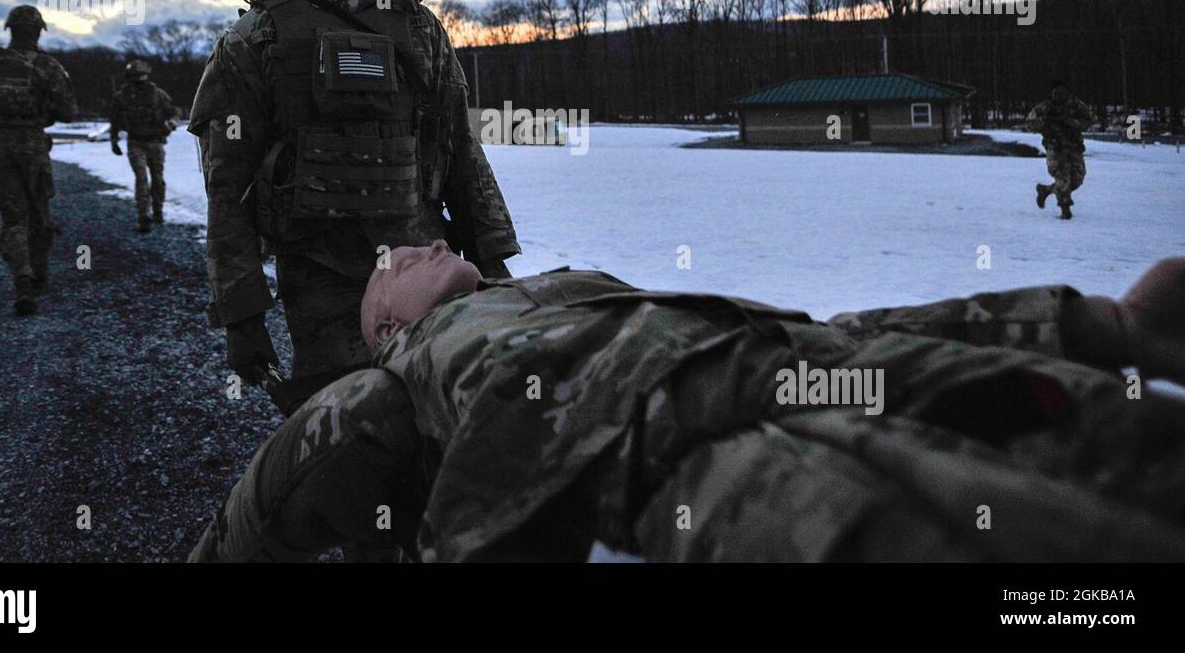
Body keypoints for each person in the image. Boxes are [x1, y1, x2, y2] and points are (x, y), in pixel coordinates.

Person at [190, 244, 1185, 563]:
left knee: (1111, 425)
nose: (407, 248)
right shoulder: (395, 378)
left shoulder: (578, 286)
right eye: (389, 269)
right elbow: (263, 513)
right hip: (698, 455)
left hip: (812, 366)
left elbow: (833, 331)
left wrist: (1093, 326)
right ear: (385, 329)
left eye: (410, 241)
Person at [189, 0, 519, 396]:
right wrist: (241, 314)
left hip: (426, 265)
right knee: (350, 431)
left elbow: (460, 147)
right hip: (324, 276)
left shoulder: (414, 23)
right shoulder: (255, 37)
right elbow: (229, 187)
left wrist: (493, 259)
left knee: (444, 409)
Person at [0, 5, 77, 315]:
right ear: (39, 31)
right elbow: (68, 112)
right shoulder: (48, 66)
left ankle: (23, 277)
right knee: (39, 208)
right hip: (31, 141)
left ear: (9, 29)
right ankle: (39, 272)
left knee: (13, 215)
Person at [109, 59, 179, 232]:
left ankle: (158, 210)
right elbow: (115, 120)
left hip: (155, 141)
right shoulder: (121, 96)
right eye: (136, 75)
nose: (140, 78)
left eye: (142, 74)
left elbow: (173, 113)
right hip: (136, 142)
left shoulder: (157, 94)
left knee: (157, 178)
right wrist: (114, 140)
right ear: (130, 76)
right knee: (141, 179)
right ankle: (143, 215)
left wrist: (171, 123)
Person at [1026, 79, 1095, 219]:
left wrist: (1070, 121)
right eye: (1056, 91)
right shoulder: (1043, 108)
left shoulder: (1076, 106)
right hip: (1055, 147)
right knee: (1063, 178)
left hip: (1074, 146)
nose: (1059, 94)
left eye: (1062, 91)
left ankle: (1045, 190)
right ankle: (1065, 209)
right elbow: (1030, 123)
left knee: (1076, 180)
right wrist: (1044, 122)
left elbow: (1088, 122)